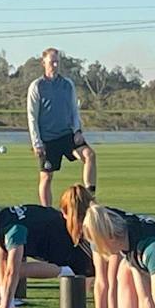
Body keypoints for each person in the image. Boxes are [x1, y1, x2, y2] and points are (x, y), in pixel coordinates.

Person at [0, 190, 96, 308]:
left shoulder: (12, 229)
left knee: (103, 278)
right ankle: (9, 306)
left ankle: (71, 272)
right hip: (60, 245)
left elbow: (12, 271)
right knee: (6, 262)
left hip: (75, 244)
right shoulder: (2, 221)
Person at [27, 48, 95, 207]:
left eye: (57, 62)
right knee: (46, 177)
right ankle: (47, 211)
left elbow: (73, 110)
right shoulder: (37, 86)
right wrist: (36, 143)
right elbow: (32, 116)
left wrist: (77, 130)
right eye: (52, 62)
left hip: (67, 136)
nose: (55, 65)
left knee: (89, 155)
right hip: (48, 139)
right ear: (43, 63)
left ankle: (90, 197)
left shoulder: (67, 84)